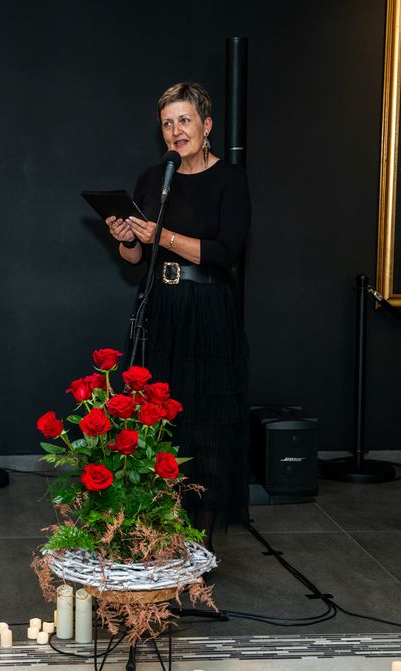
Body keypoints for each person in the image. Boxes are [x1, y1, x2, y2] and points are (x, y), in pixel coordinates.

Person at [105, 82, 251, 548]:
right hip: (161, 309)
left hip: (207, 310)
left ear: (207, 126)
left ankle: (199, 547)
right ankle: (158, 539)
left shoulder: (230, 179)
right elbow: (135, 260)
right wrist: (127, 238)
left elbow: (227, 252)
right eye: (167, 124)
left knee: (204, 429)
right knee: (156, 424)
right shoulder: (153, 177)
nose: (176, 131)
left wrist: (162, 235)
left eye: (184, 120)